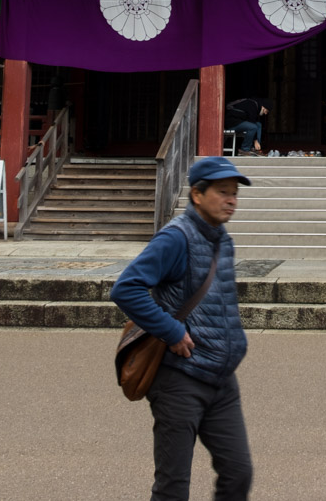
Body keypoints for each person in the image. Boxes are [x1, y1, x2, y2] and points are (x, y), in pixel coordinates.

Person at [112, 156, 254, 501]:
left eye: (234, 193)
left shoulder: (222, 240)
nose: (231, 200)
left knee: (238, 473)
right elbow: (126, 288)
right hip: (178, 379)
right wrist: (172, 331)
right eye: (223, 192)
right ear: (197, 195)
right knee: (173, 487)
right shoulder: (176, 238)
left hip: (220, 378)